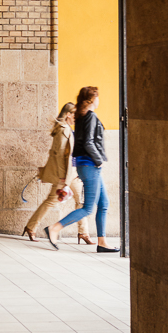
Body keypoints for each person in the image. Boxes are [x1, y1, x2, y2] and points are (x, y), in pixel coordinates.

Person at [45, 86, 120, 253]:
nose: (99, 100)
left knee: (104, 203)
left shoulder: (81, 117)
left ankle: (102, 242)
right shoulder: (91, 116)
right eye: (97, 97)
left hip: (85, 165)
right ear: (91, 100)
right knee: (88, 208)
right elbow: (88, 142)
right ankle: (54, 228)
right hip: (90, 165)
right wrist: (98, 160)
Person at [22, 102, 92, 244]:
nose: (76, 118)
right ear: (68, 115)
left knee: (81, 202)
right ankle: (31, 227)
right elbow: (59, 156)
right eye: (75, 115)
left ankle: (83, 233)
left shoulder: (67, 128)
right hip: (64, 175)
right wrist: (63, 178)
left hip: (72, 173)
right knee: (50, 202)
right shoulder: (62, 130)